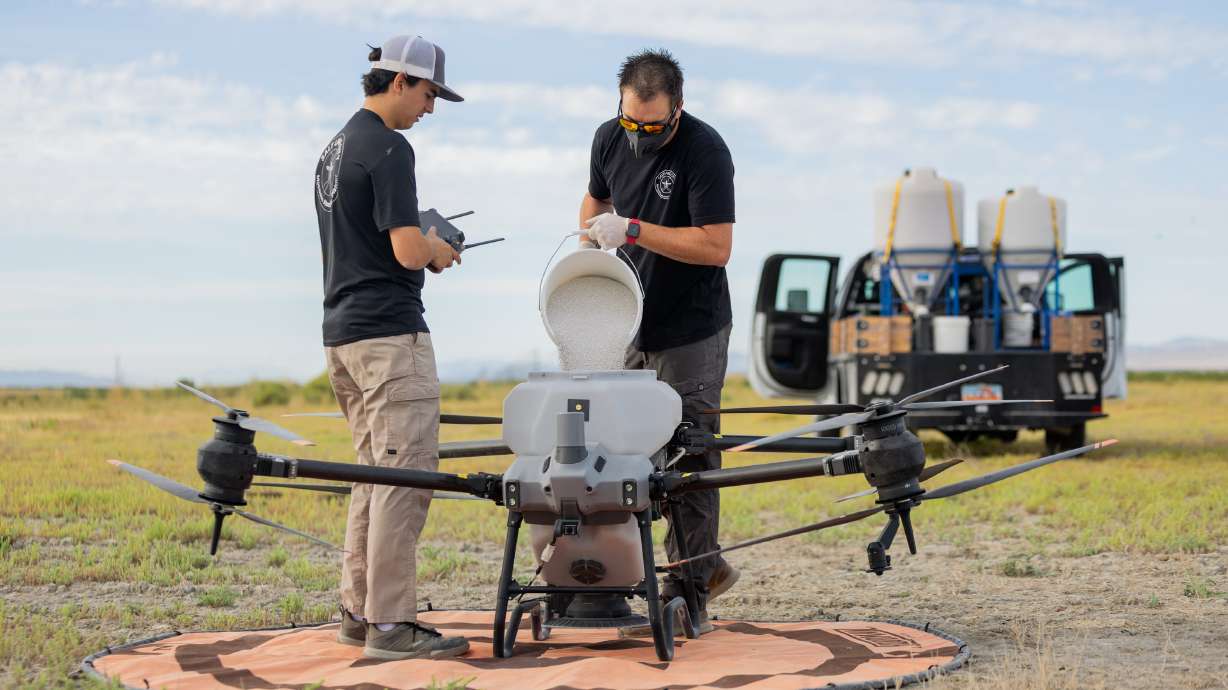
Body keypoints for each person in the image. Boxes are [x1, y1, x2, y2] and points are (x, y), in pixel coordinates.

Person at [314, 34, 468, 660]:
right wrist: (437, 249)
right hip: (389, 338)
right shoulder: (390, 147)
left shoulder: (334, 148)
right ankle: (392, 627)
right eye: (430, 93)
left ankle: (359, 613)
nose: (431, 108)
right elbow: (407, 249)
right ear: (400, 81)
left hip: (342, 336)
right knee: (404, 481)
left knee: (370, 479)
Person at [579, 48, 739, 634]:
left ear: (677, 109)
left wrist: (638, 229)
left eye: (651, 126)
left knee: (689, 451)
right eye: (630, 123)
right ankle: (628, 574)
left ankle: (690, 589)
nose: (639, 136)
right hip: (627, 317)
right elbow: (595, 201)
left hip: (690, 325)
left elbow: (715, 246)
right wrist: (593, 236)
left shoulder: (705, 149)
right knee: (622, 450)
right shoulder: (607, 138)